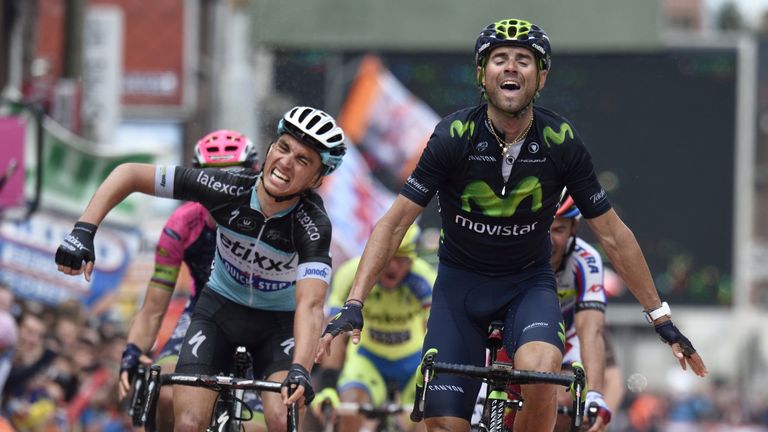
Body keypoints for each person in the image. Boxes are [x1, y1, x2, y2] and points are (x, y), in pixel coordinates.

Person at [317, 18, 707, 432]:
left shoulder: (560, 140)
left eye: (524, 60)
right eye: (499, 59)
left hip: (527, 284)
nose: (510, 67)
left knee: (542, 373)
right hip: (459, 287)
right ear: (482, 75)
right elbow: (394, 224)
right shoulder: (453, 135)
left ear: (541, 78)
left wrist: (660, 318)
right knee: (443, 425)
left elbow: (612, 232)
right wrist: (354, 303)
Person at [55, 105, 347, 431]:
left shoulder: (313, 225)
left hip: (277, 326)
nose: (286, 162)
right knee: (190, 422)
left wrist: (301, 370)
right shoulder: (226, 187)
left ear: (317, 178)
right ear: (271, 147)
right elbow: (129, 174)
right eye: (283, 147)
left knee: (281, 419)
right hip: (218, 311)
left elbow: (310, 305)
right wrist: (84, 231)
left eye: (303, 160)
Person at [116, 129, 264, 432]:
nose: (222, 187)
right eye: (211, 177)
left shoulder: (271, 221)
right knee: (168, 395)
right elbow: (154, 308)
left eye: (233, 176)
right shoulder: (183, 223)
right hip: (201, 315)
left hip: (261, 323)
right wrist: (133, 350)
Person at [312, 224, 434, 432]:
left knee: (427, 420)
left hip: (413, 360)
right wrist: (327, 386)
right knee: (349, 409)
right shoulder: (351, 273)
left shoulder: (426, 279)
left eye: (401, 258)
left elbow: (435, 333)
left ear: (413, 260)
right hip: (368, 359)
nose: (393, 266)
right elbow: (335, 334)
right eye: (387, 255)